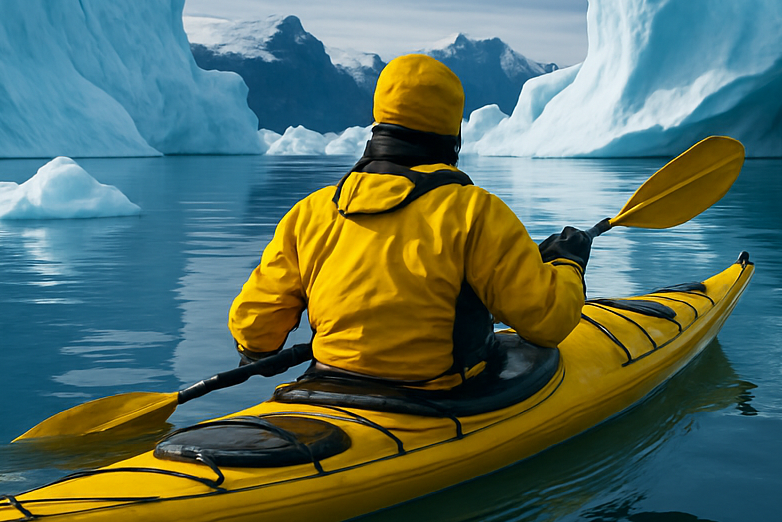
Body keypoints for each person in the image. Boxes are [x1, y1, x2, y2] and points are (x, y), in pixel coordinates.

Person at [228, 53, 591, 391]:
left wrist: (256, 352)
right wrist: (567, 264)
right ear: (454, 132)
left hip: (328, 385)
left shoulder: (313, 211)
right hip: (437, 396)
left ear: (379, 122)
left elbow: (254, 330)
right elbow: (547, 322)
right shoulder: (474, 211)